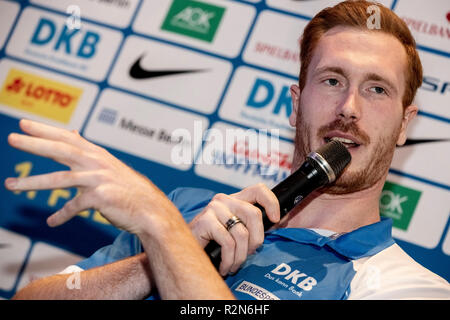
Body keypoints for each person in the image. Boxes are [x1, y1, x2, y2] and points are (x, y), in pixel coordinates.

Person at [7, 1, 450, 300]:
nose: (348, 108)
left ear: (403, 125)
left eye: (376, 89)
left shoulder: (407, 286)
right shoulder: (190, 212)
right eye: (332, 81)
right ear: (297, 105)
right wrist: (160, 258)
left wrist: (165, 235)